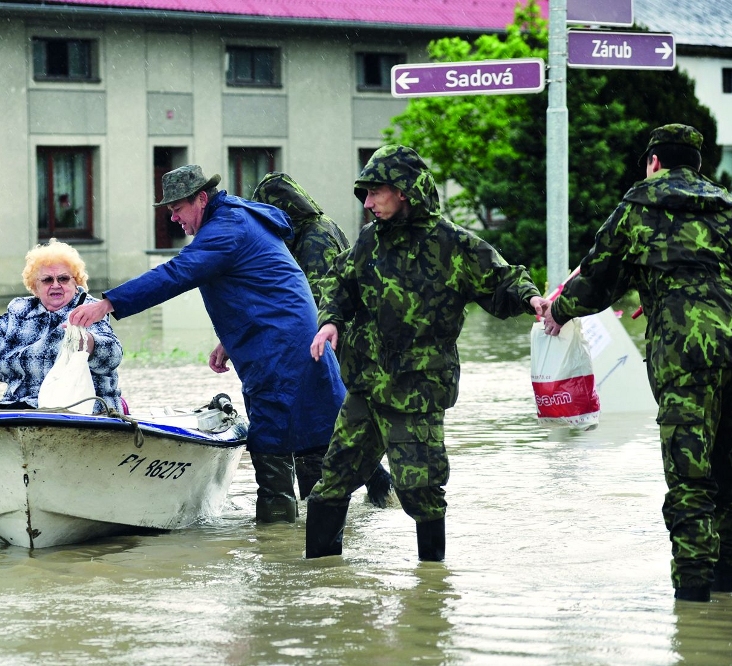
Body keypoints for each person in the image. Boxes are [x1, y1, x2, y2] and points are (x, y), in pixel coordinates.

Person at [306, 145, 546, 560]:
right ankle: (321, 581)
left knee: (421, 490)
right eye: (363, 194)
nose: (367, 203)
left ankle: (431, 592)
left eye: (374, 192)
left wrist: (532, 300)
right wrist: (331, 321)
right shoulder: (368, 243)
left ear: (403, 190)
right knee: (331, 483)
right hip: (365, 388)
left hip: (418, 392)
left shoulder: (452, 244)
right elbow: (338, 284)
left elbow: (502, 281)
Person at [69, 165, 345, 523]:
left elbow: (176, 273)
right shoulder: (238, 220)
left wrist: (109, 302)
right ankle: (318, 548)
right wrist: (228, 342)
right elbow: (262, 290)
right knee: (312, 440)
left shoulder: (226, 228)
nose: (173, 218)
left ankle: (277, 550)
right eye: (168, 211)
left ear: (201, 198)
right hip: (292, 344)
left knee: (270, 445)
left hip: (280, 353)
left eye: (177, 209)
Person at [541, 124, 732, 602]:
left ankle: (692, 605)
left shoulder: (639, 205)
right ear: (697, 163)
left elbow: (598, 280)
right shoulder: (727, 207)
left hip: (685, 359)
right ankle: (727, 588)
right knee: (730, 475)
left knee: (690, 479)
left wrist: (558, 311)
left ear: (653, 161)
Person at [250, 171, 393, 506]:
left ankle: (362, 491)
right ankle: (375, 490)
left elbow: (319, 297)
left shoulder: (314, 237)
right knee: (339, 422)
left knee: (329, 422)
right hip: (342, 336)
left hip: (339, 340)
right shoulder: (314, 228)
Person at [0, 239, 124, 414]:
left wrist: (87, 343)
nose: (55, 285)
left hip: (83, 407)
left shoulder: (90, 309)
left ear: (76, 282)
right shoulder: (20, 310)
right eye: (47, 280)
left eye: (63, 278)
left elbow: (113, 355)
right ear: (35, 287)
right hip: (19, 407)